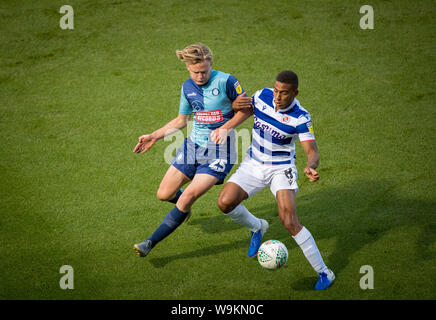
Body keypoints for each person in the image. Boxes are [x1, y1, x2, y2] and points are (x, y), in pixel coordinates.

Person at [132, 43, 258, 258]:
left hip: (220, 152)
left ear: (211, 66)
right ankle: (182, 211)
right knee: (164, 194)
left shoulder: (227, 81)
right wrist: (154, 135)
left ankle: (149, 243)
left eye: (204, 71)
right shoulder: (187, 87)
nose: (200, 76)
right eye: (195, 72)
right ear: (188, 68)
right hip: (192, 145)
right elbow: (182, 120)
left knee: (187, 196)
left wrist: (225, 127)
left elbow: (247, 109)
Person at [215, 70, 335, 290]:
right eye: (276, 90)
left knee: (289, 221)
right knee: (225, 203)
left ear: (295, 92)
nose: (278, 97)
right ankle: (257, 227)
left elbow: (312, 151)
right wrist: (229, 119)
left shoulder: (301, 116)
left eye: (284, 93)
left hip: (281, 168)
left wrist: (310, 167)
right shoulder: (262, 96)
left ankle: (324, 272)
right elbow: (245, 109)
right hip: (253, 163)